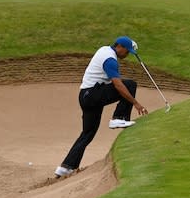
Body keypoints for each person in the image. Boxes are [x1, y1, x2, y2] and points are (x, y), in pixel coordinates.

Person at [54, 36, 149, 178]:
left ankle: (66, 167)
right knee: (130, 85)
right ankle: (119, 118)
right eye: (127, 51)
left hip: (85, 96)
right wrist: (135, 103)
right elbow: (118, 85)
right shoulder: (110, 60)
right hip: (92, 95)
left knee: (88, 133)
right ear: (120, 47)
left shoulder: (105, 50)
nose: (127, 54)